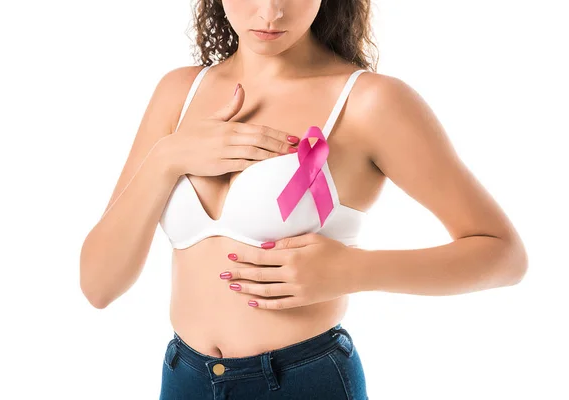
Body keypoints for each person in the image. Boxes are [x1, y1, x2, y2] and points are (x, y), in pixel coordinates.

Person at [79, 1, 528, 399]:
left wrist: (354, 270)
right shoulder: (179, 93)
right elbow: (99, 286)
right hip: (184, 377)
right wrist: (167, 158)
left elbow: (505, 255)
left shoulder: (370, 102)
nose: (271, 12)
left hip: (305, 381)